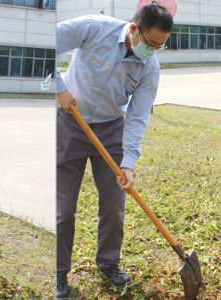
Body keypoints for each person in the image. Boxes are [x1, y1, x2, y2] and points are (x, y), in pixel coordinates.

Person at [54, 4, 173, 298]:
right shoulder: (95, 28)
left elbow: (137, 117)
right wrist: (58, 87)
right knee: (62, 205)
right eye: (151, 44)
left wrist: (128, 162)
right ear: (134, 29)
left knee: (113, 203)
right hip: (70, 122)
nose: (153, 51)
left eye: (160, 46)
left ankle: (108, 263)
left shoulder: (150, 68)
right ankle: (58, 272)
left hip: (110, 130)